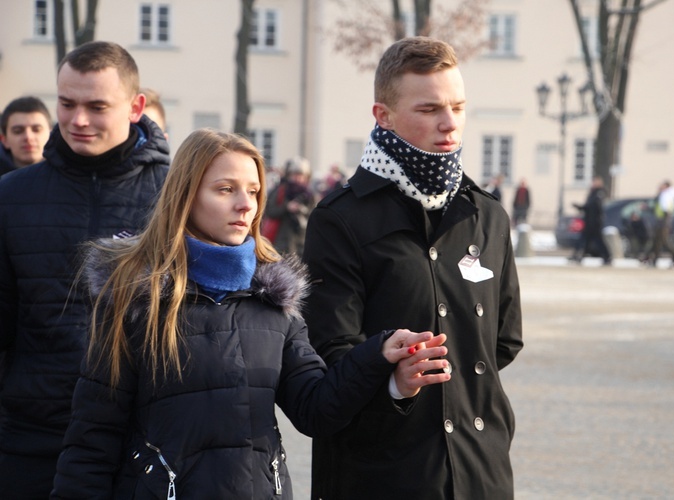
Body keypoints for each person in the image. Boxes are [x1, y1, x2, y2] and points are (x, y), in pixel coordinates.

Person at [50, 128, 449, 499]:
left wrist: (379, 357)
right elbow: (92, 439)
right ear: (186, 196)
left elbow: (316, 409)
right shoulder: (138, 299)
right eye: (226, 190)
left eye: (255, 191)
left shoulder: (273, 301)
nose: (246, 205)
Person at [302, 36, 523, 499]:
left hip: (480, 469)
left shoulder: (487, 215)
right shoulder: (339, 218)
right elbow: (330, 356)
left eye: (458, 108)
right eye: (429, 110)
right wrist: (395, 385)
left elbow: (502, 341)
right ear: (383, 116)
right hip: (380, 472)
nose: (449, 124)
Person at [0, 40, 170, 498]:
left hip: (145, 438)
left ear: (136, 106)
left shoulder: (176, 197)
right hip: (33, 437)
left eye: (97, 106)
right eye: (67, 103)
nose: (78, 120)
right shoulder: (11, 196)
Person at [263, 156, 315, 254]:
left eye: (301, 175)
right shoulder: (280, 191)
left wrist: (301, 210)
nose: (298, 178)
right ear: (289, 175)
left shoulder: (309, 195)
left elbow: (314, 215)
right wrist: (287, 207)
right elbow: (270, 211)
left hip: (302, 242)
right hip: (281, 242)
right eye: (295, 174)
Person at [0, 96, 53, 176]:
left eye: (36, 130)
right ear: (5, 140)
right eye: (18, 131)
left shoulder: (69, 177)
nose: (28, 137)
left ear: (51, 135)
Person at [570, 176, 611, 264]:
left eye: (595, 181)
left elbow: (594, 206)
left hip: (595, 222)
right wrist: (580, 207)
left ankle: (607, 256)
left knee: (598, 241)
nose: (593, 183)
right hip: (589, 221)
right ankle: (577, 256)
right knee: (584, 240)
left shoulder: (600, 192)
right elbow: (588, 206)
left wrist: (582, 207)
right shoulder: (593, 192)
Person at [645, 180, 674, 267]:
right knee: (657, 241)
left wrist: (664, 222)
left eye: (662, 185)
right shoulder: (663, 195)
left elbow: (666, 210)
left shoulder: (666, 195)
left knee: (664, 241)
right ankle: (654, 259)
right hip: (660, 221)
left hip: (663, 222)